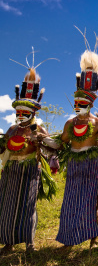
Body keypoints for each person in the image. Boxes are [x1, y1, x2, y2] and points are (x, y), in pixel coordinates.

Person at [41, 34, 98, 249]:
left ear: (90, 103)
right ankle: (69, 239)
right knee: (70, 203)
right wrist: (44, 141)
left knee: (91, 202)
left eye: (82, 102)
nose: (78, 105)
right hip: (74, 166)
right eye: (76, 101)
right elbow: (61, 144)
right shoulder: (69, 124)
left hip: (92, 166)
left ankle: (93, 239)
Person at [0, 59, 55, 254]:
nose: (20, 114)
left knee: (28, 206)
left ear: (32, 112)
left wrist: (42, 139)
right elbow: (2, 149)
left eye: (25, 112)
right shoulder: (12, 129)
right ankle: (8, 242)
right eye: (18, 111)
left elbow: (54, 148)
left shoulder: (39, 128)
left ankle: (29, 242)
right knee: (6, 206)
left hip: (30, 170)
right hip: (11, 170)